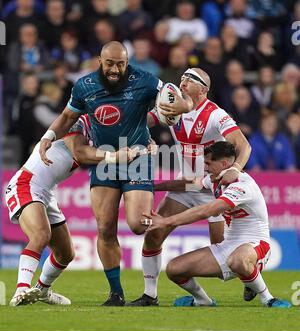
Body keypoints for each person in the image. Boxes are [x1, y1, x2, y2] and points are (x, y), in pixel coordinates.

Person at [38, 41, 193, 306]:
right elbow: (66, 117)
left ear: (127, 62)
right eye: (109, 63)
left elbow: (178, 99)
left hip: (137, 158)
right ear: (100, 61)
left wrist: (184, 107)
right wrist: (49, 136)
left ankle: (164, 233)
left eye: (120, 64)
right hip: (105, 159)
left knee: (136, 224)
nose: (115, 69)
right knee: (104, 228)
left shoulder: (144, 80)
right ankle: (116, 293)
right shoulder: (84, 86)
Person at [128, 67, 251, 306]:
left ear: (203, 89)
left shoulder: (215, 115)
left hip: (211, 189)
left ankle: (249, 277)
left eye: (191, 79)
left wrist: (235, 168)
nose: (184, 81)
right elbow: (139, 123)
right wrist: (145, 137)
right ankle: (150, 295)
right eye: (183, 77)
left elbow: (244, 146)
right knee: (153, 234)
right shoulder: (171, 107)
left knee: (222, 251)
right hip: (186, 187)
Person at [6, 114, 137, 306]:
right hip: (26, 184)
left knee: (66, 254)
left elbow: (138, 124)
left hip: (46, 192)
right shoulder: (78, 122)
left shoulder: (104, 129)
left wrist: (147, 143)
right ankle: (21, 289)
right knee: (41, 235)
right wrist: (115, 156)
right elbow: (80, 153)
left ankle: (42, 290)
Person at [142, 141, 292, 309]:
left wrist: (166, 221)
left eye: (208, 163)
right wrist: (153, 186)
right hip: (228, 246)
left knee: (237, 260)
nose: (204, 167)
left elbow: (208, 210)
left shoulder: (242, 186)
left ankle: (268, 298)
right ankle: (203, 300)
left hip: (256, 245)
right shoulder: (213, 180)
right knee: (174, 269)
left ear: (224, 164)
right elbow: (189, 184)